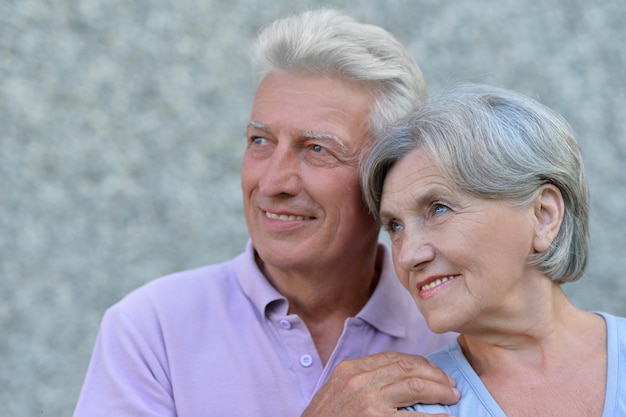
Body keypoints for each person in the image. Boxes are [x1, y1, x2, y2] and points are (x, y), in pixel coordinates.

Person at [73, 9, 460, 417]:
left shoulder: (453, 326)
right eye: (260, 141)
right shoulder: (150, 330)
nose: (273, 182)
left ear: (387, 176)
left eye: (317, 149)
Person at [361, 83, 626, 416]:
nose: (407, 255)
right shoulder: (408, 408)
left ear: (544, 215)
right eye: (395, 227)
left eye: (439, 208)